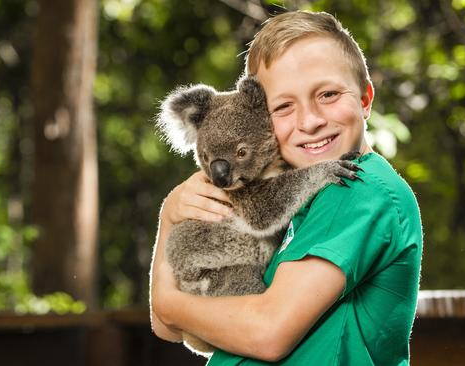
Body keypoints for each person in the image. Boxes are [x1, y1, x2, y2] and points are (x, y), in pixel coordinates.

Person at [150, 10, 423, 365]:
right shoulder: (306, 192)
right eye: (283, 106)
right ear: (263, 120)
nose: (309, 121)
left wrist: (168, 303)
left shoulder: (355, 188)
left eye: (327, 94)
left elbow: (266, 333)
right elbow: (167, 325)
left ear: (366, 98)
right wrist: (172, 214)